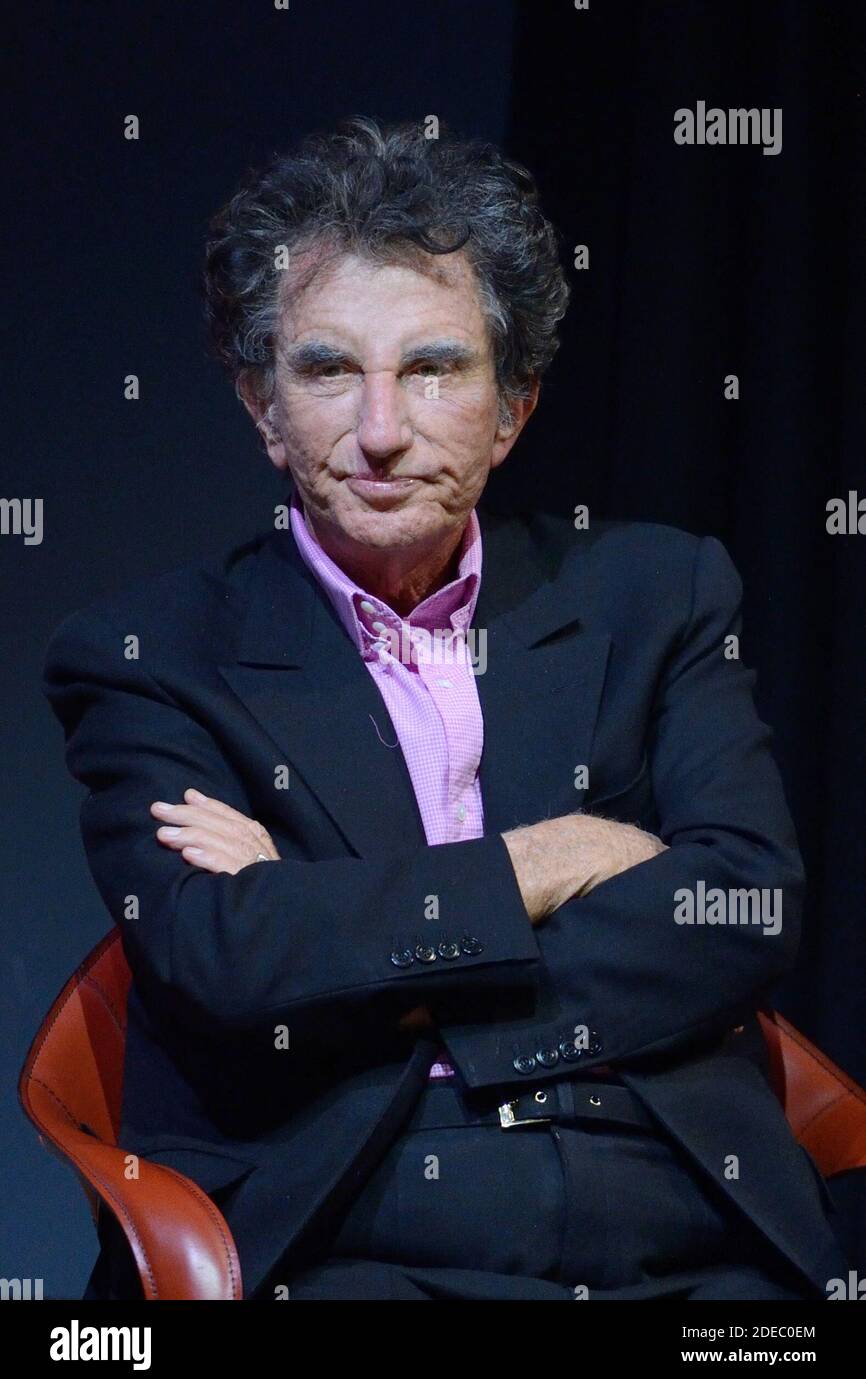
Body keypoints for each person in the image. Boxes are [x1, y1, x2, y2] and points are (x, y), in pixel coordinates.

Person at [44, 116, 846, 1300]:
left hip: (679, 1215)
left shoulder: (655, 593)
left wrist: (358, 943)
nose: (379, 430)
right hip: (355, 1229)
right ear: (263, 408)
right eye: (325, 370)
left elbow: (740, 909)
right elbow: (228, 964)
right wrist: (556, 857)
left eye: (432, 367)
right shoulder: (153, 656)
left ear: (512, 406)